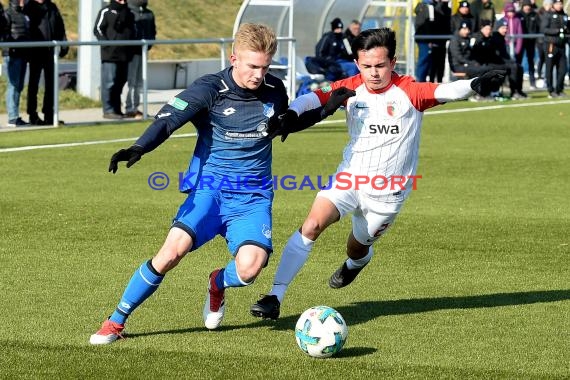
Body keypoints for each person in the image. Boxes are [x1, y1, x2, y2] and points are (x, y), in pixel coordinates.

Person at [89, 23, 323, 345]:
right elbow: (170, 118)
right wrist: (140, 147)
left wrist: (328, 105)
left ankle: (217, 283)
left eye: (265, 66)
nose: (259, 74)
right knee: (171, 253)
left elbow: (286, 122)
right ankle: (115, 322)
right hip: (209, 190)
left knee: (250, 269)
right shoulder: (210, 88)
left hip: (252, 196)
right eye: (252, 66)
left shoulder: (275, 90)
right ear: (233, 58)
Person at [250, 27, 505, 319]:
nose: (373, 73)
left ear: (392, 63)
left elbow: (444, 90)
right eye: (367, 66)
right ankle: (274, 296)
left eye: (380, 65)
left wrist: (474, 82)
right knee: (312, 225)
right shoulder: (350, 86)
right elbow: (313, 98)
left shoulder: (409, 91)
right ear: (358, 63)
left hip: (388, 193)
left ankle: (355, 264)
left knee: (356, 248)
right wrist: (292, 112)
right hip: (349, 178)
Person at [23, 0, 68, 126]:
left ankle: (49, 114)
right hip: (35, 52)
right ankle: (32, 114)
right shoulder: (29, 7)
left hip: (50, 52)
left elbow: (60, 26)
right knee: (34, 85)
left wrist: (64, 43)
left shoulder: (52, 7)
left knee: (51, 84)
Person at [93, 0, 136, 120]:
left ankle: (117, 109)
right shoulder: (105, 11)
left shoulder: (129, 13)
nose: (122, 2)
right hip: (110, 55)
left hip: (125, 55)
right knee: (109, 83)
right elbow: (98, 29)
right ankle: (108, 110)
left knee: (120, 82)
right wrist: (108, 45)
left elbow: (133, 31)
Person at [125, 0, 156, 119]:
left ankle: (135, 107)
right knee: (131, 81)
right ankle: (129, 108)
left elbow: (153, 31)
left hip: (143, 51)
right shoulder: (128, 12)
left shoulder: (149, 13)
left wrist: (149, 43)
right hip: (131, 52)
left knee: (139, 81)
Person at [2, 0, 31, 127]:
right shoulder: (7, 14)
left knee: (19, 86)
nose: (23, 1)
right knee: (13, 86)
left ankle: (15, 116)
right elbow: (4, 34)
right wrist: (9, 48)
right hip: (12, 55)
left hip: (23, 54)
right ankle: (12, 117)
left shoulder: (24, 15)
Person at [414, 0, 451, 82]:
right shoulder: (426, 6)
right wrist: (429, 39)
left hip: (426, 38)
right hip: (425, 39)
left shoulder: (429, 6)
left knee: (427, 62)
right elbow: (424, 24)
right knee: (424, 61)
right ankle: (419, 83)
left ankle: (421, 82)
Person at [540, 0, 568, 98]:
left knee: (563, 69)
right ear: (553, 5)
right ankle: (551, 90)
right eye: (557, 3)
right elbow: (544, 29)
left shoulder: (564, 15)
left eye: (561, 3)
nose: (559, 5)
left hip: (562, 46)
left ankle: (559, 89)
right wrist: (558, 30)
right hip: (551, 45)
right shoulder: (548, 15)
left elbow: (567, 30)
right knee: (550, 68)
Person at [517, 0, 540, 89]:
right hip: (520, 41)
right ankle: (518, 83)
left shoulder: (534, 14)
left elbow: (538, 27)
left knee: (531, 61)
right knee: (518, 62)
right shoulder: (519, 14)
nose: (527, 7)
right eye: (526, 5)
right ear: (523, 6)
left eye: (529, 5)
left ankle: (532, 82)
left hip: (531, 42)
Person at [536, 0, 554, 82]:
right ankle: (539, 75)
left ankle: (548, 77)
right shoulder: (540, 13)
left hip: (549, 40)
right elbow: (542, 27)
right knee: (542, 58)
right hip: (541, 40)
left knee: (549, 59)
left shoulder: (552, 13)